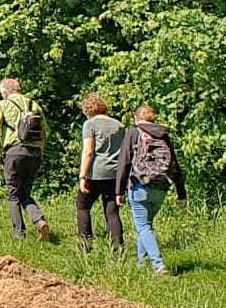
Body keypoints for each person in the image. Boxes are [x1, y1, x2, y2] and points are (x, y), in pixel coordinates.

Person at [111, 104, 186, 275]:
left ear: (136, 118)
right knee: (146, 226)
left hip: (140, 184)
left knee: (143, 227)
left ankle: (158, 264)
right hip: (161, 186)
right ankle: (141, 263)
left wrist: (119, 191)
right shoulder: (163, 134)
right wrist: (181, 193)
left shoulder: (134, 132)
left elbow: (124, 162)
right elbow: (175, 164)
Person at [0, 77, 53, 242]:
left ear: (4, 92)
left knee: (13, 194)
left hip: (14, 153)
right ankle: (39, 221)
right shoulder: (34, 105)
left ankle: (18, 233)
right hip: (34, 153)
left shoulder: (2, 105)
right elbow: (44, 133)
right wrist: (40, 151)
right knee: (25, 192)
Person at [75, 93, 125, 250]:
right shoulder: (119, 125)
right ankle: (117, 248)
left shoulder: (90, 124)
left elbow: (88, 151)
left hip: (95, 173)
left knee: (83, 206)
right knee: (112, 210)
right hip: (115, 173)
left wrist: (83, 176)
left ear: (87, 110)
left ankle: (85, 244)